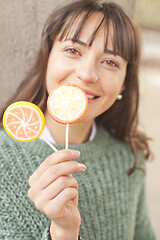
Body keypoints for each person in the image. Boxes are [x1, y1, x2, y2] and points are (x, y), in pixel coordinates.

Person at [0, 0, 156, 239]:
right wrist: (63, 231)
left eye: (110, 62)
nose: (87, 73)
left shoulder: (128, 157)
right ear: (47, 57)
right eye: (73, 50)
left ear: (124, 83)